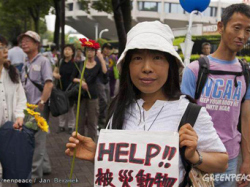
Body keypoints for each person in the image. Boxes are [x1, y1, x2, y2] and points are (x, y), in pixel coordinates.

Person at [65, 21, 229, 185]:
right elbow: (119, 169)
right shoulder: (118, 107)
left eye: (157, 57)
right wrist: (99, 155)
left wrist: (193, 156)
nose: (147, 68)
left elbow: (222, 162)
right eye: (137, 58)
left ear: (170, 65)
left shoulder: (190, 112)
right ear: (128, 65)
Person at [181, 3, 250, 187]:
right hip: (198, 159)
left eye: (248, 30)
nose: (242, 36)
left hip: (230, 159)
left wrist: (247, 162)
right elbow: (180, 117)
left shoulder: (245, 73)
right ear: (221, 27)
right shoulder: (195, 70)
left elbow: (246, 119)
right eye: (237, 28)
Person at [19, 30, 53, 181]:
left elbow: (49, 83)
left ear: (37, 44)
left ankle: (34, 174)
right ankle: (45, 167)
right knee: (37, 138)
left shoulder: (43, 61)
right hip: (28, 108)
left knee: (37, 141)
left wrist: (42, 102)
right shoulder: (26, 62)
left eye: (28, 41)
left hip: (38, 107)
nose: (23, 43)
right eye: (22, 41)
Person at [0, 35, 27, 186]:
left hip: (10, 131)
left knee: (12, 168)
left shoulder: (12, 72)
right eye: (1, 47)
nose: (5, 50)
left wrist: (19, 116)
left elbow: (21, 99)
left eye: (5, 46)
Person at [72, 38, 107, 142]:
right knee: (80, 121)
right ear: (85, 52)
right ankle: (79, 142)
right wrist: (80, 81)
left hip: (93, 96)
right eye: (87, 50)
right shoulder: (80, 64)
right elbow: (72, 78)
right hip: (81, 96)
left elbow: (104, 76)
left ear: (95, 52)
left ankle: (91, 143)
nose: (89, 52)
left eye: (92, 50)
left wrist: (101, 59)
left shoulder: (98, 65)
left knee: (92, 121)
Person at [53, 44, 77, 134]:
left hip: (70, 90)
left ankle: (71, 126)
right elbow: (54, 72)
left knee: (70, 109)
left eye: (69, 49)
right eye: (65, 49)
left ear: (72, 52)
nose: (67, 51)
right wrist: (56, 75)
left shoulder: (75, 63)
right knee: (61, 107)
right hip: (60, 88)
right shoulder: (60, 61)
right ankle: (61, 126)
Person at [97, 42, 112, 129]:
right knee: (103, 101)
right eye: (106, 48)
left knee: (108, 102)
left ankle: (104, 122)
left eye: (109, 49)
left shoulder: (107, 59)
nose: (107, 50)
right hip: (99, 82)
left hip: (106, 82)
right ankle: (100, 121)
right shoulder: (99, 58)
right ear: (103, 49)